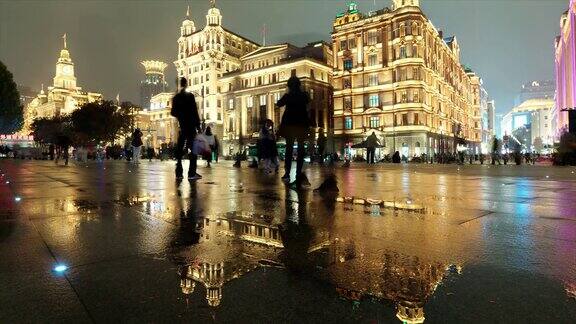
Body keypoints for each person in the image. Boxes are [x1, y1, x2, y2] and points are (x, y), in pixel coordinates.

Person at [276, 76, 311, 186]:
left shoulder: (288, 95)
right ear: (299, 85)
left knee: (289, 149)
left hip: (290, 125)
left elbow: (279, 103)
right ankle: (298, 172)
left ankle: (287, 173)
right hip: (301, 125)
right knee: (300, 149)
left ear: (290, 86)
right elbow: (308, 101)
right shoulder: (303, 95)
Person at [171, 78, 202, 180]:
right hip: (191, 126)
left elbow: (173, 113)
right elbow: (194, 111)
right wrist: (198, 126)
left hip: (183, 126)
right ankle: (191, 173)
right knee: (193, 149)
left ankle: (179, 173)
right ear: (186, 84)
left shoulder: (176, 98)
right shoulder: (190, 96)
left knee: (180, 149)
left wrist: (180, 115)